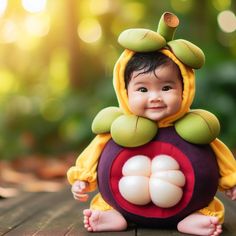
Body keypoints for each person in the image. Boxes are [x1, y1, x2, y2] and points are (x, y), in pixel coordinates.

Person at [67, 13, 236, 236]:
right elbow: (93, 152)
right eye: (143, 89)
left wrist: (231, 181)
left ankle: (192, 219)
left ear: (184, 88)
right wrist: (82, 178)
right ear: (125, 91)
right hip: (123, 204)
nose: (155, 97)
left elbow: (221, 154)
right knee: (109, 202)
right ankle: (114, 216)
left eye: (166, 88)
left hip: (189, 206)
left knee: (206, 209)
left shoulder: (197, 128)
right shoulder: (117, 128)